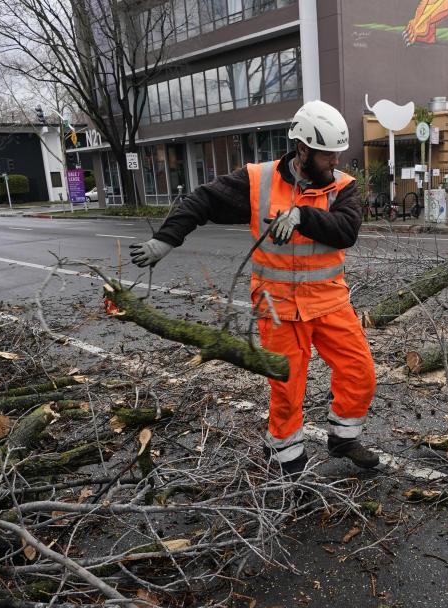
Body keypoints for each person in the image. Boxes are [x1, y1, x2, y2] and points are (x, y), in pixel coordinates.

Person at [129, 100, 378, 478]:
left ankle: (343, 438)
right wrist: (166, 239)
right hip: (276, 305)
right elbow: (203, 200)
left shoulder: (344, 187)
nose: (335, 163)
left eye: (337, 155)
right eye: (327, 156)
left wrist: (301, 216)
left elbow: (347, 231)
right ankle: (286, 457)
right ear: (303, 150)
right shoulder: (257, 180)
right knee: (286, 385)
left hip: (329, 302)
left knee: (360, 371)